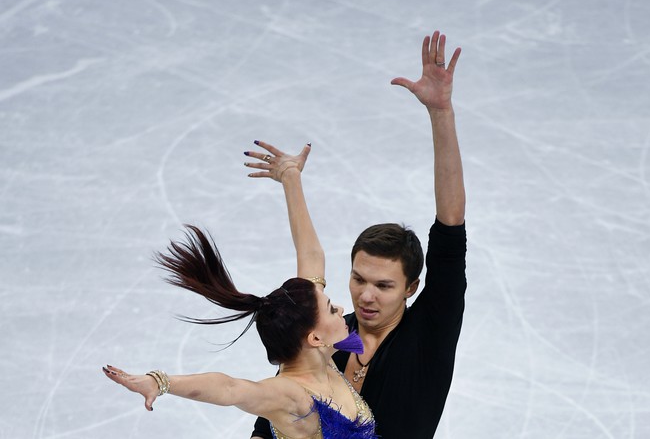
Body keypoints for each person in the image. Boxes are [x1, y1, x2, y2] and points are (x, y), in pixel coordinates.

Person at [247, 30, 466, 439]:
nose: (366, 296)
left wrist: (441, 113)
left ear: (411, 287)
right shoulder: (328, 333)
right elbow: (276, 409)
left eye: (383, 285)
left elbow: (451, 227)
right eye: (358, 278)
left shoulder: (428, 333)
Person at [103, 220, 377, 438]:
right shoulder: (293, 396)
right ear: (315, 338)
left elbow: (312, 256)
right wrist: (161, 382)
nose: (341, 308)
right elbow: (230, 388)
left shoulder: (318, 356)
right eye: (331, 309)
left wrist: (291, 180)